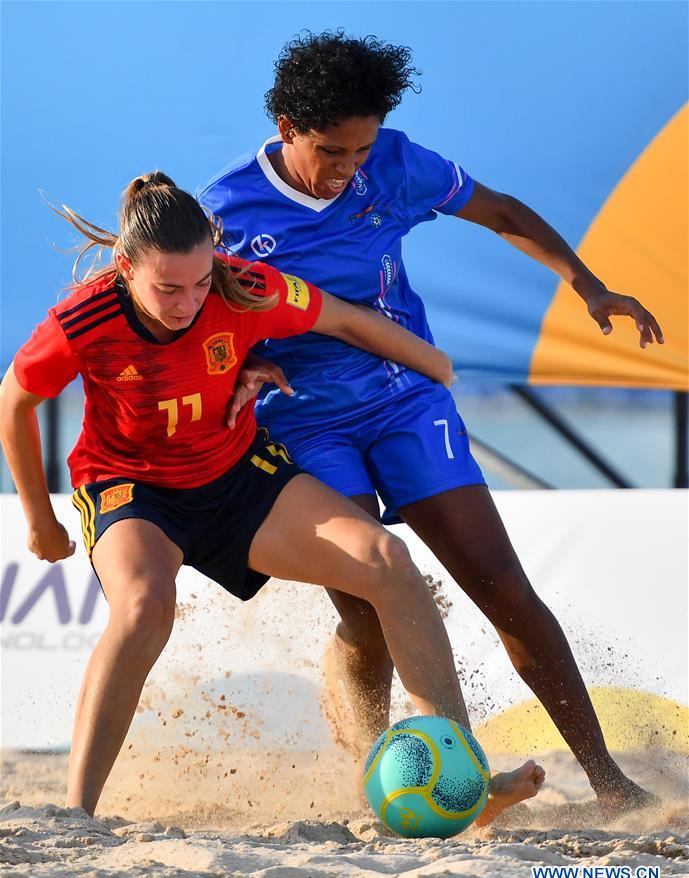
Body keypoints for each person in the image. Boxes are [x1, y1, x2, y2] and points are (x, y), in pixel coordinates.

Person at [199, 31, 663, 817]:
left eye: (361, 148)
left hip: (404, 395)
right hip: (303, 418)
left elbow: (503, 212)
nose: (349, 168)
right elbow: (194, 324)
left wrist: (588, 286)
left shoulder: (397, 162)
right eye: (330, 151)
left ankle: (609, 780)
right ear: (284, 126)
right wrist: (238, 369)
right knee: (368, 607)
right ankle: (380, 776)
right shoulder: (225, 210)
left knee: (500, 585)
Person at [0, 172, 544, 820]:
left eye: (200, 283)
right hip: (132, 488)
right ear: (125, 266)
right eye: (168, 288)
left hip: (236, 474)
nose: (188, 303)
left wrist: (437, 368)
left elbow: (345, 318)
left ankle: (462, 783)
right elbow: (15, 403)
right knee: (144, 607)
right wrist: (38, 518)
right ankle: (76, 811)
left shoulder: (240, 284)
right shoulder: (85, 317)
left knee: (389, 565)